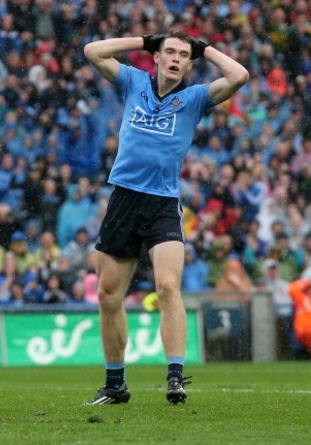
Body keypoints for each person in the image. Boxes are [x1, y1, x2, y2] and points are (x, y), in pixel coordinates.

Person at [83, 31, 249, 405]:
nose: (174, 58)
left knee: (168, 286)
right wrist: (144, 40)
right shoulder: (133, 80)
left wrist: (206, 49)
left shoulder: (193, 99)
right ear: (156, 58)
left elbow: (238, 75)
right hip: (124, 198)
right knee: (108, 296)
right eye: (168, 52)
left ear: (190, 65)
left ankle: (175, 377)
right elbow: (92, 50)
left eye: (183, 55)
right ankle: (114, 385)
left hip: (162, 202)